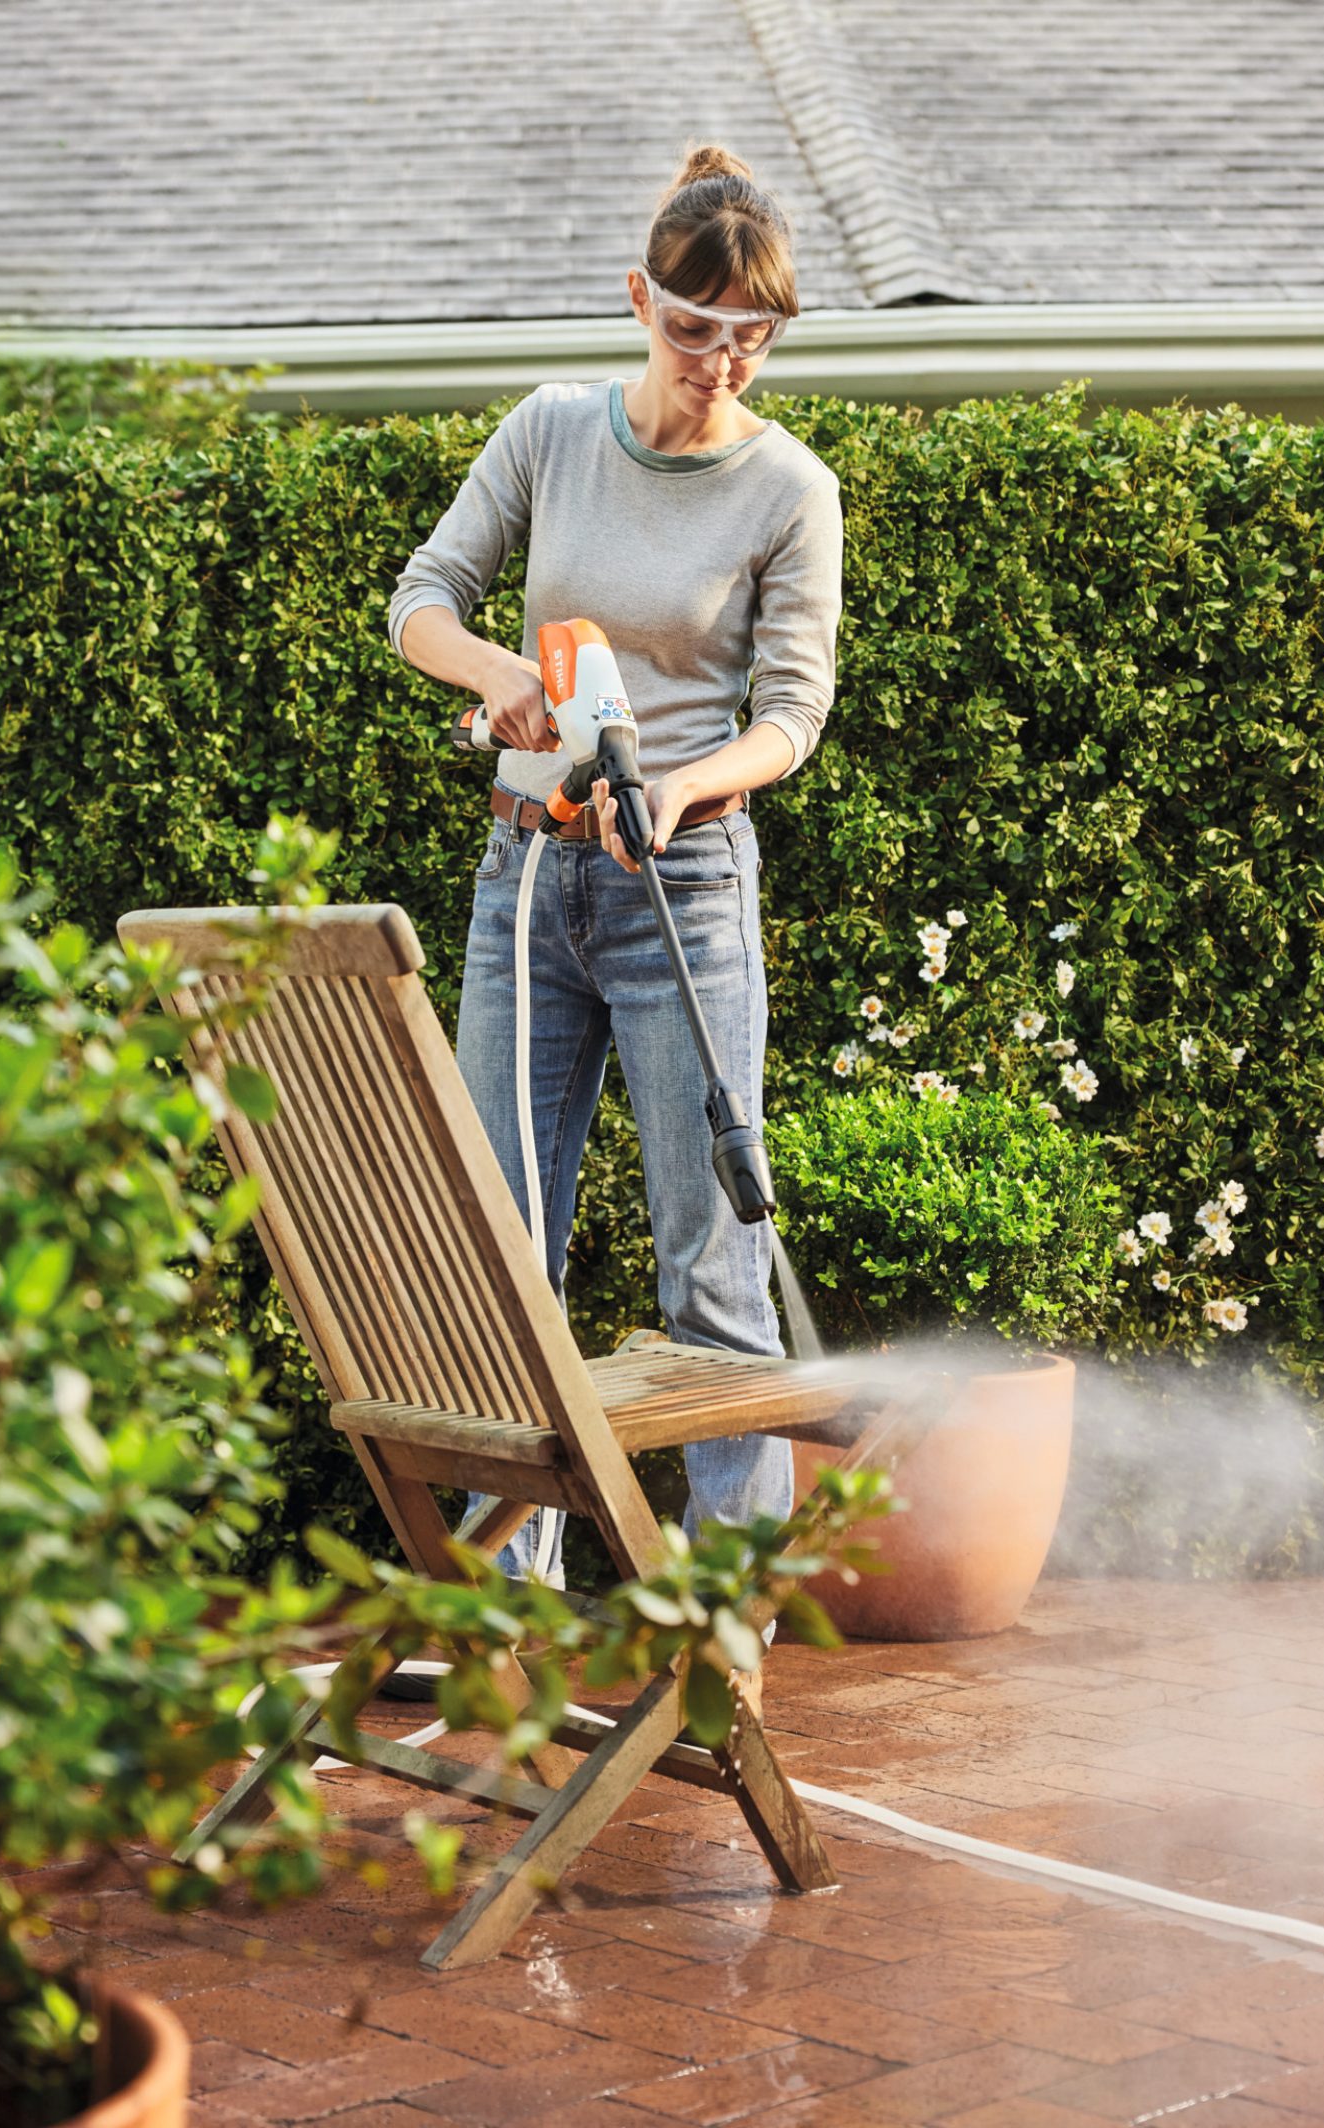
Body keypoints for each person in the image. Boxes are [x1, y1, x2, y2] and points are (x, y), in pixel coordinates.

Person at [387, 143, 844, 1661]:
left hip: (683, 893)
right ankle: (504, 1615)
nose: (722, 361)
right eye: (695, 327)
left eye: (753, 335)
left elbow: (793, 715)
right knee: (504, 1252)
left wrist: (691, 787)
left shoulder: (790, 488)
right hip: (527, 880)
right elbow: (421, 600)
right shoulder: (549, 430)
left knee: (711, 1257)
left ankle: (720, 1618)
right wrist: (501, 676)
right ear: (640, 301)